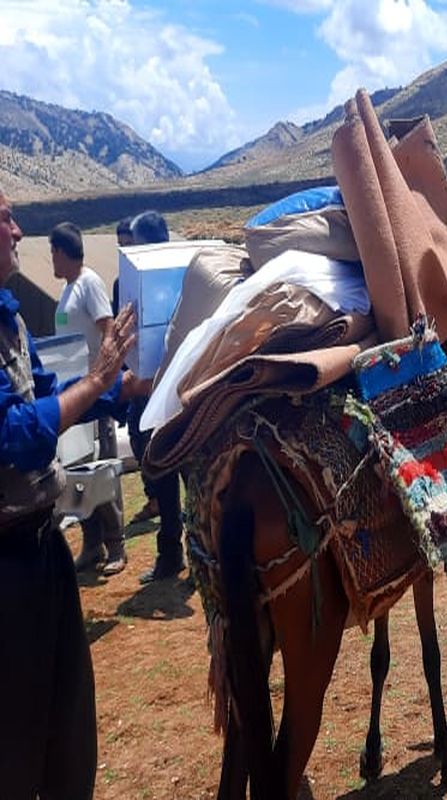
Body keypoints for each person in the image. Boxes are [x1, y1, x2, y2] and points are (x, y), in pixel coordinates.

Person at [1, 186, 136, 796]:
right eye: (3, 218)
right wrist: (99, 381)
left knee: (69, 728)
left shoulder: (7, 318)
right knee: (17, 743)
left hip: (42, 546)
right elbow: (14, 434)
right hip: (7, 570)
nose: (16, 232)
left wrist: (122, 388)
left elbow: (49, 390)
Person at [50, 221, 127, 575]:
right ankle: (92, 543)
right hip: (73, 396)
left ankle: (116, 545)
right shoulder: (67, 290)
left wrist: (103, 375)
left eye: (53, 251)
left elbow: (107, 328)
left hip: (95, 394)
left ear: (64, 252)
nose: (51, 258)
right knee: (77, 469)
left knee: (100, 469)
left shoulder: (89, 283)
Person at [124, 211, 186, 583]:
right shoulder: (180, 280)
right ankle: (176, 554)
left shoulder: (166, 283)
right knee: (173, 480)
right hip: (162, 393)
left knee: (178, 479)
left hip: (169, 393)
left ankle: (177, 555)